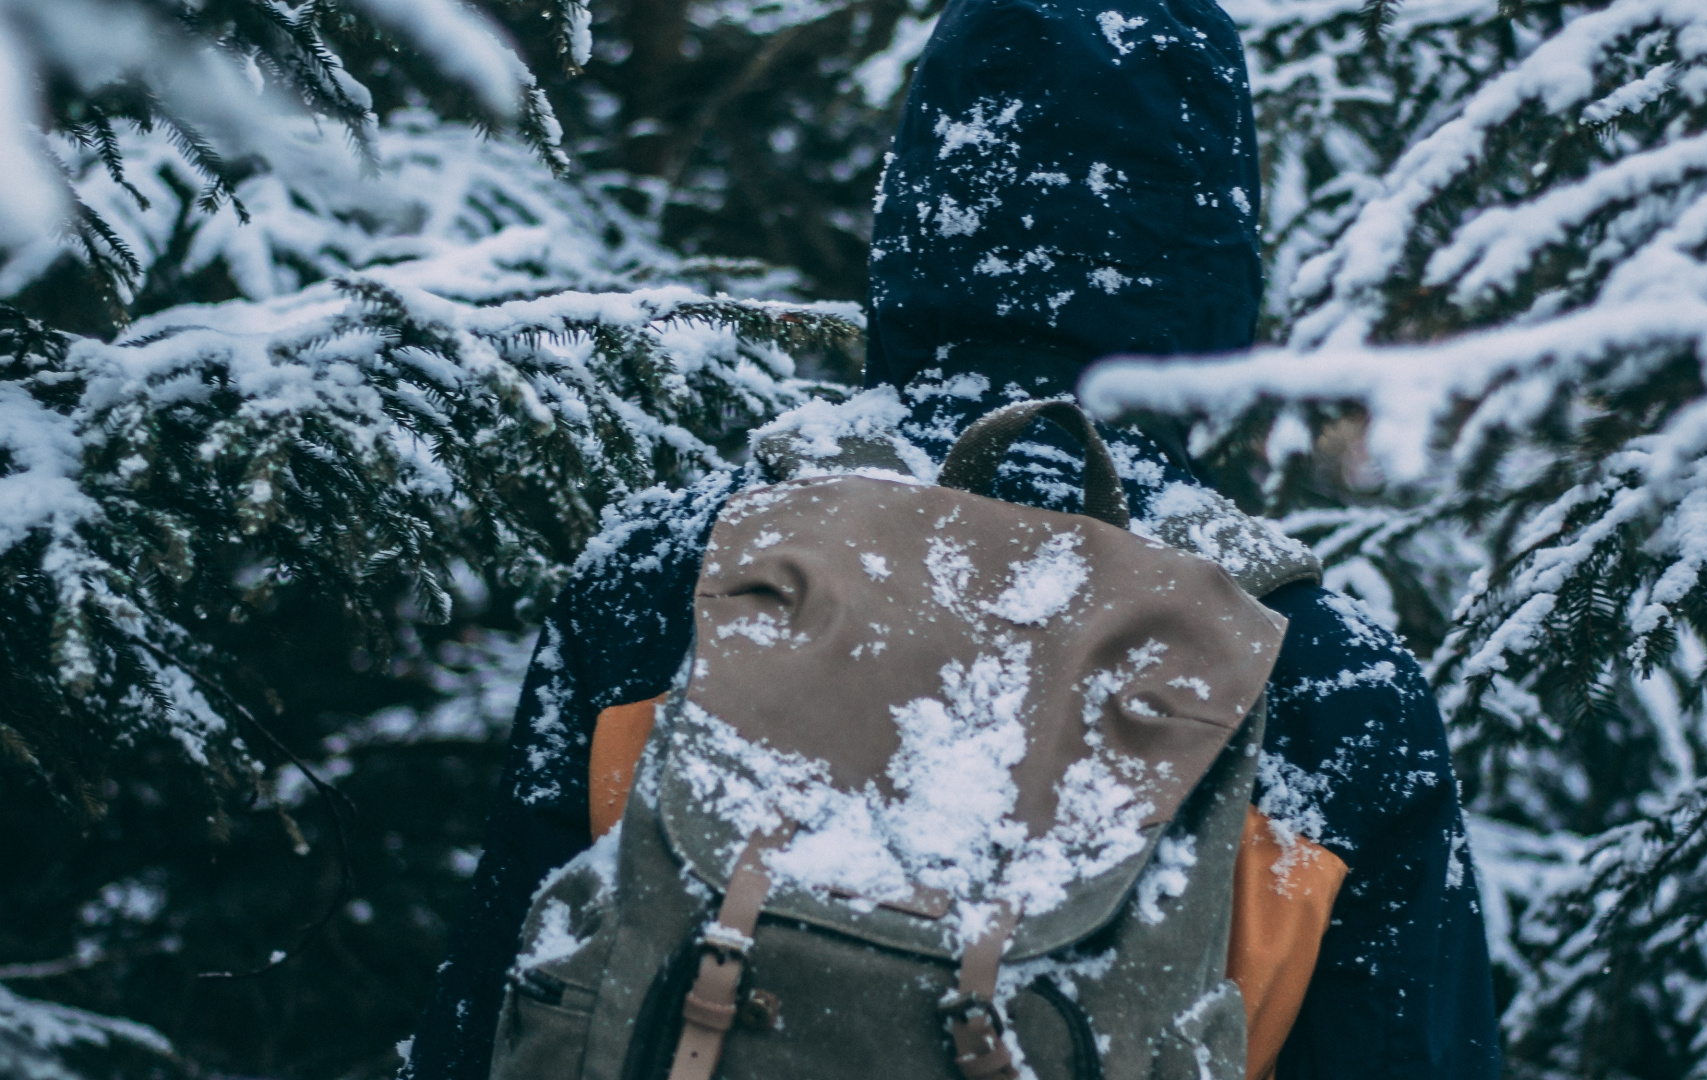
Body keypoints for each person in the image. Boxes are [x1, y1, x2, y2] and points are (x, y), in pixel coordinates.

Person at [405, 0, 1501, 1075]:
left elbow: (488, 1018)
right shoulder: (1322, 683)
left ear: (920, 201)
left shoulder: (685, 570)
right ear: (1215, 248)